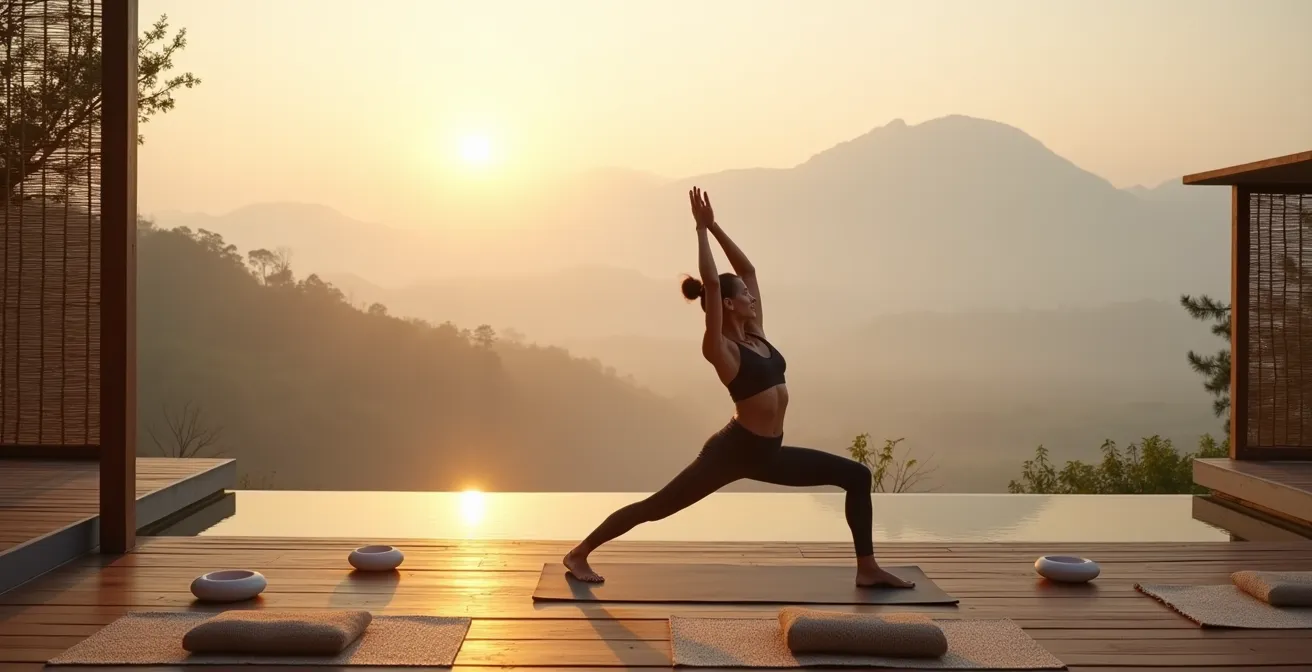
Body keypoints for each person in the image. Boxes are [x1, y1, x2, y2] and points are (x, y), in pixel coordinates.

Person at [561, 187, 914, 589]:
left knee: (857, 475)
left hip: (769, 453)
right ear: (727, 305)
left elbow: (748, 272)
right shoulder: (721, 347)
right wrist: (699, 231)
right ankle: (578, 553)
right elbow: (714, 284)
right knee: (656, 507)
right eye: (743, 296)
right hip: (731, 452)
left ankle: (867, 568)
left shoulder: (757, 333)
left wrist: (716, 226)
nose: (751, 296)